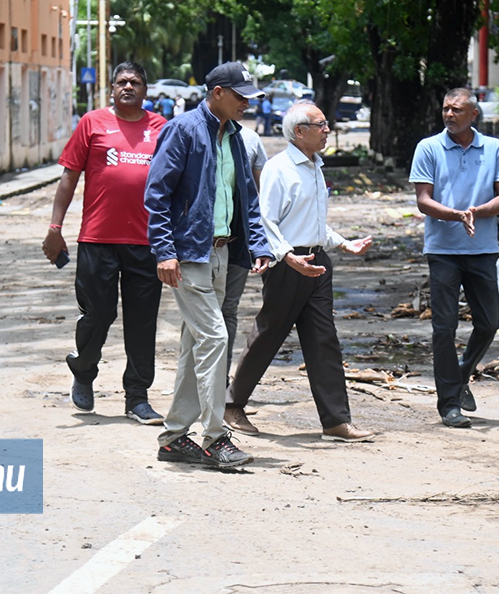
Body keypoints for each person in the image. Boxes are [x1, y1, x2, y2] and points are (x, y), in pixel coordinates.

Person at [145, 61, 272, 468]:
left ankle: (173, 438)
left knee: (195, 345)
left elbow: (246, 198)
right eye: (240, 97)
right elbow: (157, 194)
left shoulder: (236, 136)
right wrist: (164, 251)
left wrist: (259, 244)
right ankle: (216, 436)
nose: (246, 105)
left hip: (221, 252)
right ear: (217, 93)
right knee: (215, 338)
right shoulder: (183, 129)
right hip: (188, 253)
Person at [225, 102, 375, 442]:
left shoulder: (315, 166)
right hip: (289, 265)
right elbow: (266, 219)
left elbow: (313, 221)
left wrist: (343, 243)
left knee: (324, 339)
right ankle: (232, 405)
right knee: (269, 333)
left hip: (317, 263)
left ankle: (336, 420)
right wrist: (286, 255)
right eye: (320, 125)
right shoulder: (279, 168)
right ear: (299, 131)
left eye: (326, 124)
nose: (327, 130)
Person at [42, 62, 168, 426]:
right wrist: (55, 226)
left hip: (146, 242)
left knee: (142, 322)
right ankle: (83, 369)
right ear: (111, 88)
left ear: (145, 90)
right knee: (98, 313)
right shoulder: (92, 123)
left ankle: (138, 397)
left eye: (136, 82)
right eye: (122, 82)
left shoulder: (159, 128)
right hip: (97, 239)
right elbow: (68, 178)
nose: (128, 86)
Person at [409, 88, 499, 428]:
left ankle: (462, 374)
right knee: (444, 328)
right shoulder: (429, 148)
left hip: (483, 249)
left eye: (457, 110)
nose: (449, 115)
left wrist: (477, 211)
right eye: (445, 109)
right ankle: (449, 404)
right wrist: (455, 215)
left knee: (489, 322)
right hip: (442, 251)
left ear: (473, 115)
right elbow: (423, 200)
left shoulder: (494, 148)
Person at [221, 123, 268, 380]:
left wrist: (261, 242)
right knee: (202, 311)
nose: (244, 103)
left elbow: (261, 195)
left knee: (228, 308)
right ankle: (199, 379)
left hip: (238, 241)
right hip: (203, 242)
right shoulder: (192, 133)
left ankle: (220, 378)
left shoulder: (250, 139)